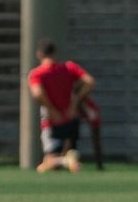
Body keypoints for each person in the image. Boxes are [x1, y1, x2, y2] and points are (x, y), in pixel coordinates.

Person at [27, 38, 95, 173]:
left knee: (45, 165)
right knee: (68, 153)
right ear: (55, 53)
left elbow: (37, 93)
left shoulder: (37, 73)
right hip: (71, 118)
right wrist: (75, 103)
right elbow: (89, 82)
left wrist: (51, 110)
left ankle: (65, 160)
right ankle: (69, 159)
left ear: (39, 54)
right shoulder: (69, 67)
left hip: (52, 121)